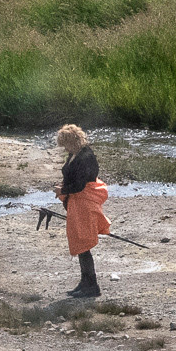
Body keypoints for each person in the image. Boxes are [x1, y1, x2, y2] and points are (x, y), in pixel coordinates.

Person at [55, 124, 109, 298]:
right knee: (79, 242)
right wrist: (63, 187)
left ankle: (92, 285)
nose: (65, 148)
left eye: (65, 144)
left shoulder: (86, 157)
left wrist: (62, 191)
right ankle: (85, 282)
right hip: (77, 202)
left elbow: (79, 185)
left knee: (84, 243)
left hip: (84, 203)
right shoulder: (74, 154)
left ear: (72, 141)